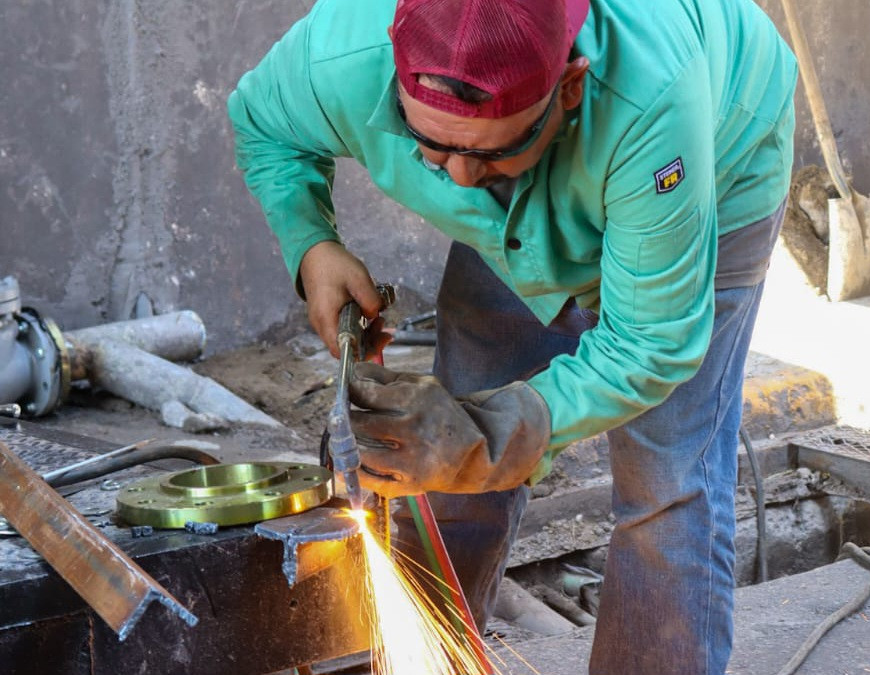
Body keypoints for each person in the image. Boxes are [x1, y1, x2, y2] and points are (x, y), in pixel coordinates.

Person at [229, 0, 797, 672]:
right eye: (433, 149)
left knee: (667, 484)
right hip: (527, 213)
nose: (462, 178)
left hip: (709, 174)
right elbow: (262, 121)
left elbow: (651, 345)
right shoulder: (344, 53)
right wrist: (313, 243)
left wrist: (499, 429)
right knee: (442, 463)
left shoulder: (652, 98)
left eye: (491, 151)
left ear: (572, 85)